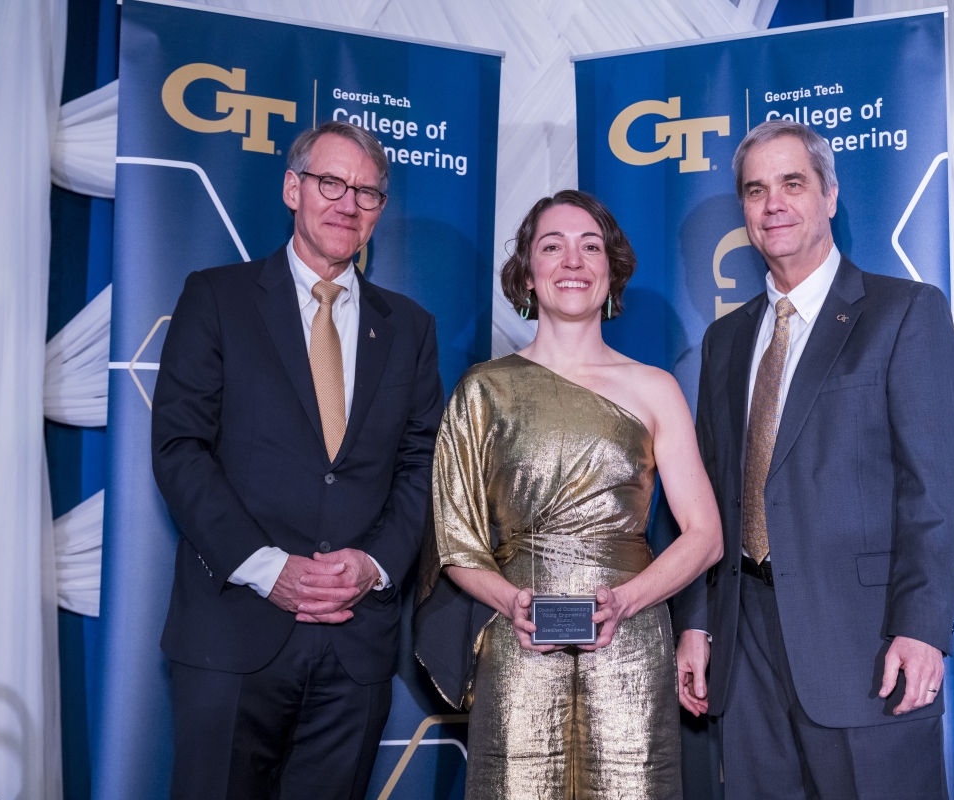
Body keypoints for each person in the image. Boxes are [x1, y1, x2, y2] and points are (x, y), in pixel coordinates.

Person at [674, 119, 954, 799]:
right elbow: (708, 499)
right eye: (755, 190)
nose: (772, 203)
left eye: (791, 183)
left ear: (830, 196)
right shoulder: (724, 341)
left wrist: (922, 629)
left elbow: (938, 492)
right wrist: (694, 619)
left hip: (866, 645)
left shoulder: (904, 314)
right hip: (744, 647)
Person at [151, 120, 443, 798]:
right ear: (293, 188)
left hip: (355, 640)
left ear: (379, 211)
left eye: (367, 192)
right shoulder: (216, 298)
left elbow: (421, 463)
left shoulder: (411, 329)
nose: (348, 203)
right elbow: (180, 448)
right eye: (331, 183)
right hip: (233, 633)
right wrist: (269, 568)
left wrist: (372, 565)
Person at [413, 190, 723, 800]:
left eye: (590, 246)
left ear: (612, 270)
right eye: (552, 247)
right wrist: (513, 605)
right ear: (528, 274)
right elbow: (456, 540)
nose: (573, 261)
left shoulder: (655, 388)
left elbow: (706, 535)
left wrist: (628, 601)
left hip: (632, 643)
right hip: (518, 636)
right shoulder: (483, 390)